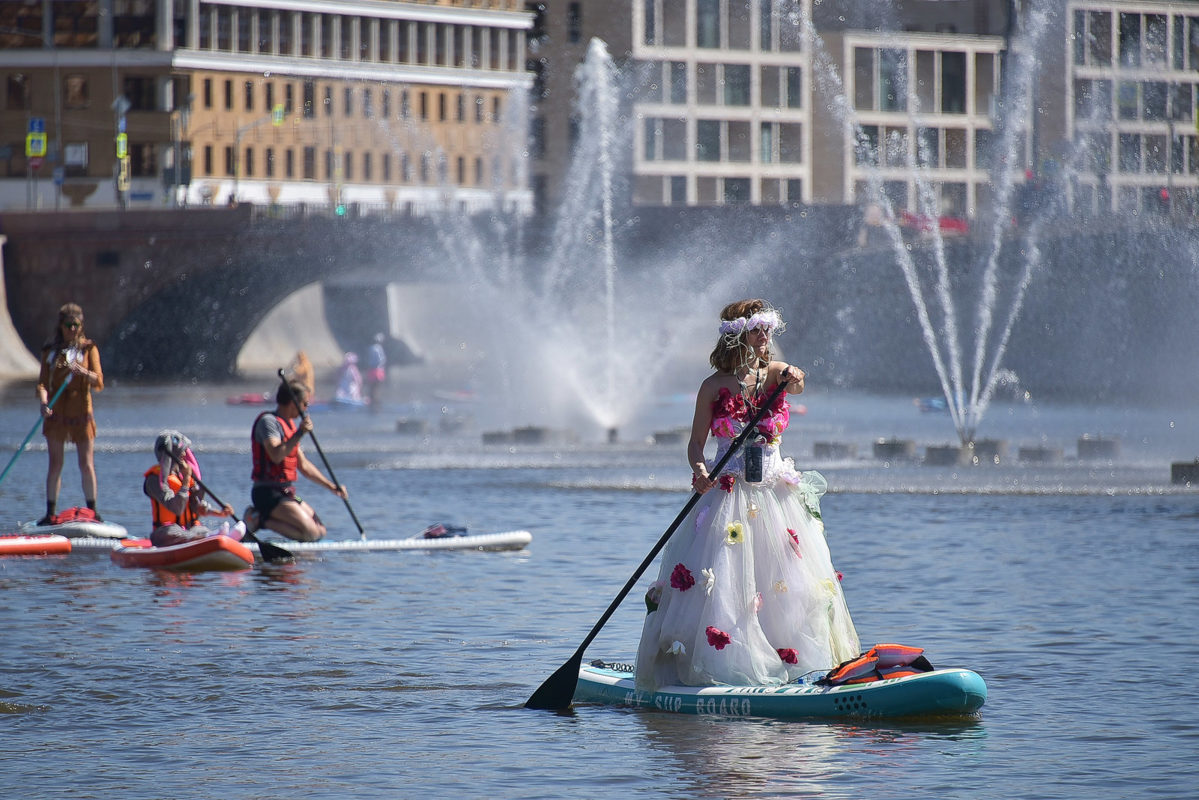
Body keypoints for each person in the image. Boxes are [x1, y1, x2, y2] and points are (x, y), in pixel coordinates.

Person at [635, 299, 859, 691]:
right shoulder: (713, 386)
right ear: (738, 334)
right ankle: (725, 665)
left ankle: (791, 663)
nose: (765, 337)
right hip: (728, 492)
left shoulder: (775, 374)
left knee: (787, 580)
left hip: (775, 495)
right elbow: (695, 444)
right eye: (758, 330)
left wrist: (794, 373)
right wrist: (700, 470)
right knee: (725, 582)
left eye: (768, 330)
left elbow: (800, 381)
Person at [247, 380, 347, 541]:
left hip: (285, 492)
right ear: (294, 403)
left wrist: (331, 486)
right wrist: (299, 433)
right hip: (267, 493)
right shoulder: (269, 422)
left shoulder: (290, 426)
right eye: (305, 404)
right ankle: (259, 519)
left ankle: (266, 519)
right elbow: (276, 455)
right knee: (311, 534)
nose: (306, 409)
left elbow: (304, 465)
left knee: (320, 531)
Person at [35, 303, 104, 525]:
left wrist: (83, 371)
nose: (72, 329)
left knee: (86, 463)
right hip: (56, 415)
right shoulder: (50, 352)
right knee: (55, 464)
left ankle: (93, 510)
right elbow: (43, 384)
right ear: (61, 326)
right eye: (68, 325)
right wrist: (44, 403)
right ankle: (50, 512)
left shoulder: (88, 349)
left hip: (81, 412)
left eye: (76, 325)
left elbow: (98, 381)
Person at [143, 430, 240, 547]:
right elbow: (177, 508)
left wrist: (219, 513)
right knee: (171, 531)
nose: (185, 454)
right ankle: (211, 538)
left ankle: (213, 537)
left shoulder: (182, 475)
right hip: (164, 534)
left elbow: (194, 506)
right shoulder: (154, 480)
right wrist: (185, 482)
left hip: (188, 531)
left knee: (199, 529)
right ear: (172, 453)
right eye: (181, 451)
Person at [365, 333, 387, 410]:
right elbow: (381, 360)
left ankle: (372, 401)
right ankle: (375, 401)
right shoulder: (379, 348)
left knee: (371, 386)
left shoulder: (371, 348)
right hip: (377, 370)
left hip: (372, 369)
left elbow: (369, 360)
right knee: (376, 387)